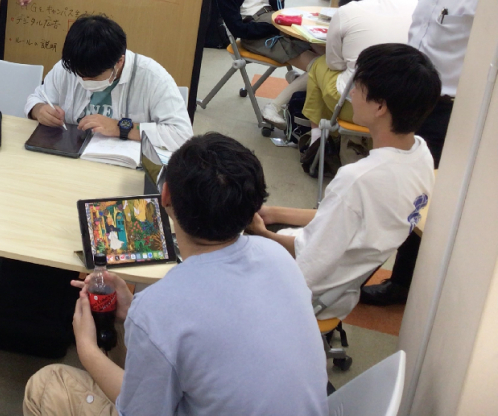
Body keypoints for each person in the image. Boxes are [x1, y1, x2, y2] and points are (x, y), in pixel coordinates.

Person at [23, 133, 328, 416]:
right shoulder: (279, 257)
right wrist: (133, 310)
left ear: (165, 195)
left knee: (46, 384)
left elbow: (141, 412)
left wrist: (87, 349)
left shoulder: (160, 308)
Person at [362, 0, 498, 307]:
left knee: (423, 199)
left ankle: (404, 284)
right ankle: (364, 266)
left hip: (450, 109)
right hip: (411, 98)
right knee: (391, 185)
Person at [248, 43, 439, 320]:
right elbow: (343, 218)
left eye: (357, 87)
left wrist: (263, 235)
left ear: (380, 106)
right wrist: (275, 213)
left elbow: (308, 266)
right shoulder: (420, 154)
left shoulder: (358, 179)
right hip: (341, 291)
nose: (350, 93)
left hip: (305, 297)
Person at [25, 15, 193, 151]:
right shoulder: (69, 66)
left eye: (93, 77)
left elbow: (181, 134)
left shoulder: (152, 77)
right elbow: (36, 98)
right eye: (80, 76)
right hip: (71, 156)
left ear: (119, 62)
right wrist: (39, 110)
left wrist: (121, 128)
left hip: (123, 165)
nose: (84, 81)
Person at [214, 0, 319, 126]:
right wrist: (276, 26)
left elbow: (270, 8)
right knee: (319, 67)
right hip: (255, 35)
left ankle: (296, 80)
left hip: (271, 23)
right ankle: (273, 107)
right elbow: (238, 29)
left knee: (322, 50)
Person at [302, 0, 416, 152]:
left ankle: (317, 138)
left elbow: (334, 64)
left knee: (319, 65)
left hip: (356, 108)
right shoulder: (416, 4)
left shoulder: (347, 11)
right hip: (406, 111)